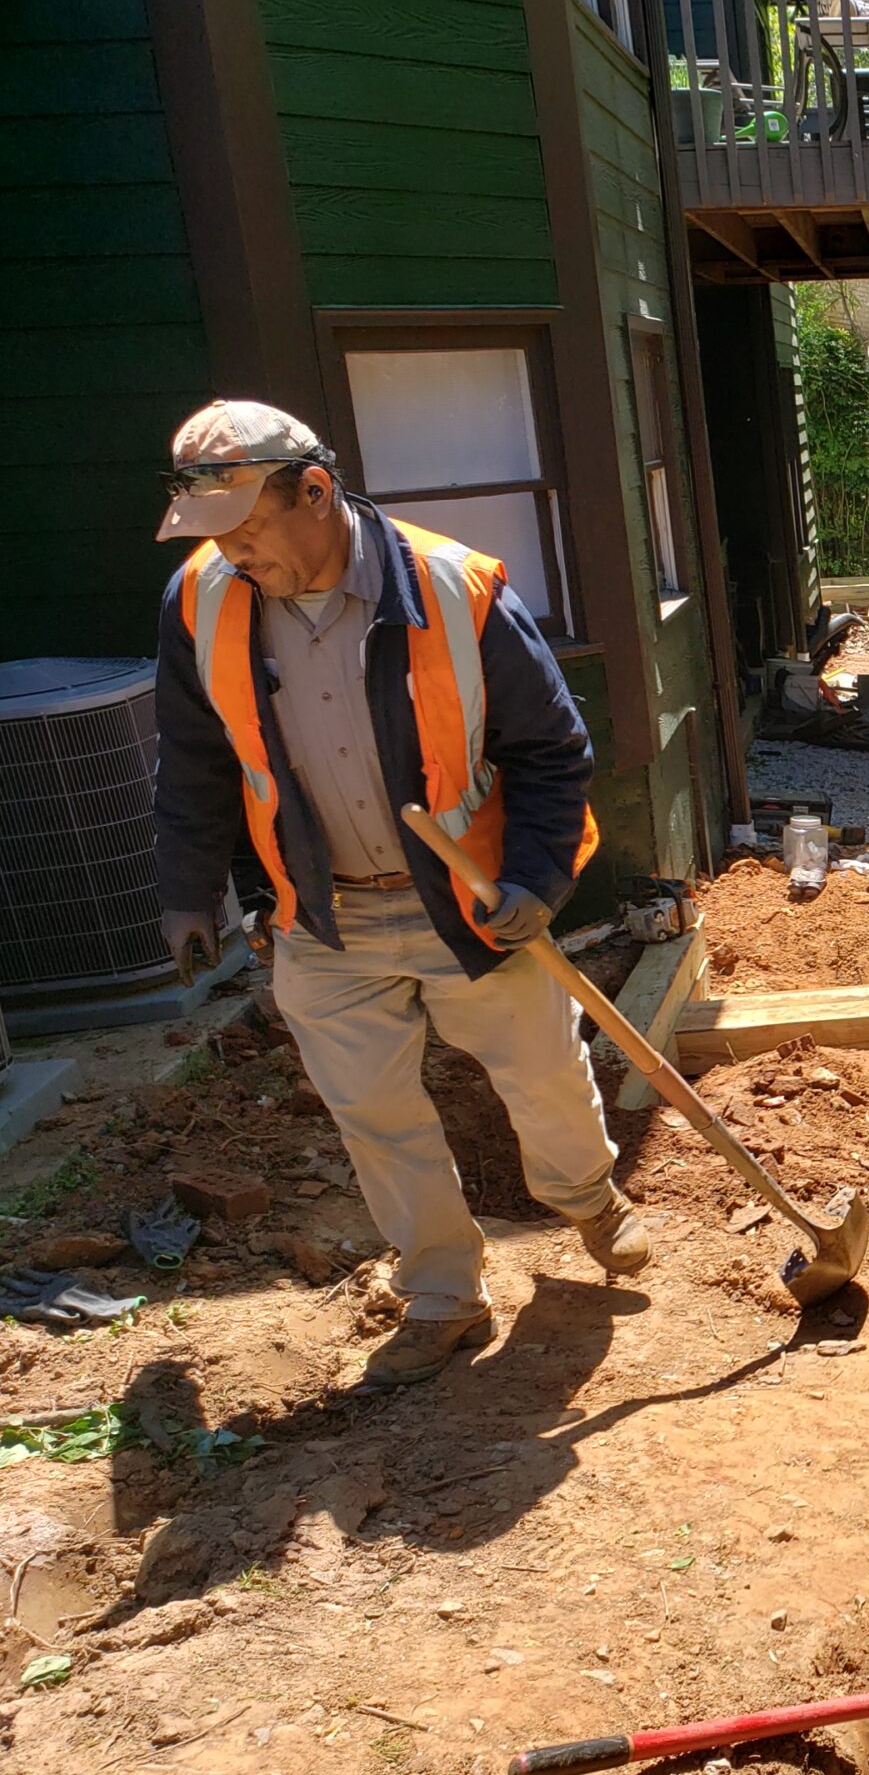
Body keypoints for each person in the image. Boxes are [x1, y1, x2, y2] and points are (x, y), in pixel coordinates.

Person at [150, 399, 649, 1387]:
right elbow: (197, 761)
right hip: (322, 912)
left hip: (467, 900)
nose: (234, 554)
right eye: (212, 535)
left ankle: (588, 1197)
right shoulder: (200, 602)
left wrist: (536, 882)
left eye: (249, 527)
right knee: (371, 1109)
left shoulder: (453, 589)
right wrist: (186, 892)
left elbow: (551, 753)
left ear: (317, 492)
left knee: (540, 1070)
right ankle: (442, 1296)